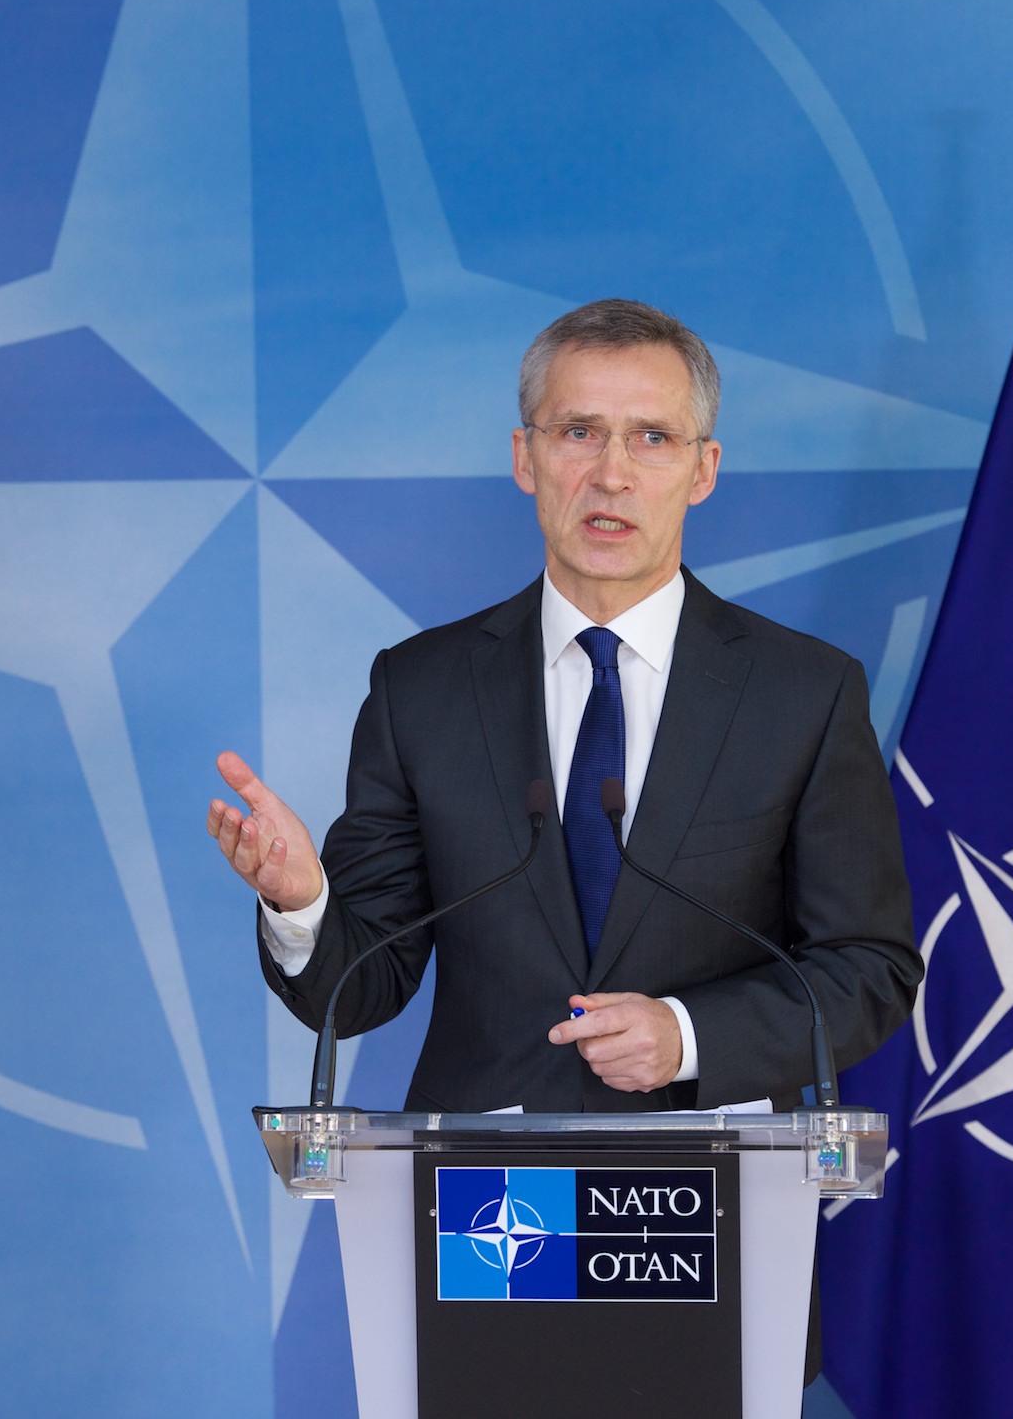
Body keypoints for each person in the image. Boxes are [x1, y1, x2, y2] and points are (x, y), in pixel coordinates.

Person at [208, 300, 920, 1115]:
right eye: (578, 432)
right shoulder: (423, 690)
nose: (611, 474)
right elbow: (361, 988)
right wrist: (302, 903)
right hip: (492, 1208)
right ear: (526, 457)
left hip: (709, 1192)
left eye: (652, 438)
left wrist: (688, 1035)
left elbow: (870, 966)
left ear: (704, 470)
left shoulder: (804, 692)